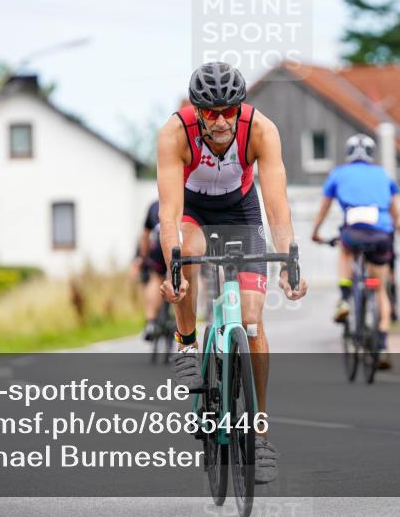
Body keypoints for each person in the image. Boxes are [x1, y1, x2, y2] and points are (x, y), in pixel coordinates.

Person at [157, 61, 308, 484]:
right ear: (196, 109)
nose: (221, 119)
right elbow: (168, 209)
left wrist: (289, 260)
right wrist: (174, 265)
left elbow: (277, 203)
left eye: (229, 109)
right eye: (211, 111)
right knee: (187, 251)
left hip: (241, 213)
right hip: (192, 212)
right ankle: (187, 344)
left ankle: (259, 437)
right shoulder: (174, 133)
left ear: (240, 106)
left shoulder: (261, 130)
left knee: (253, 321)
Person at [311, 133, 400, 369]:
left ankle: (344, 299)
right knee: (380, 289)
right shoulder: (383, 174)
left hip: (353, 233)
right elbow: (395, 212)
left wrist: (316, 232)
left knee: (345, 250)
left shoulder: (338, 174)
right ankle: (382, 345)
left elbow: (324, 207)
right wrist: (397, 227)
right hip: (381, 234)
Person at [138, 200, 167, 340]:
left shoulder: (154, 205)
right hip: (181, 242)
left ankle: (151, 321)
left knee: (156, 278)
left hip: (160, 245)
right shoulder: (187, 199)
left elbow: (145, 235)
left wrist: (144, 257)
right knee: (187, 276)